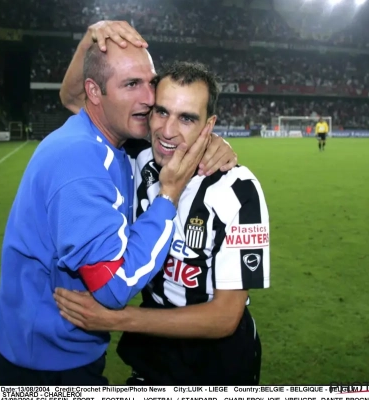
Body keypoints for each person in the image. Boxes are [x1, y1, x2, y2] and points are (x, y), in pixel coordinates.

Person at [0, 21, 237, 386]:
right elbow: (113, 287)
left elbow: (72, 97)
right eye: (131, 84)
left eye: (150, 82)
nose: (149, 98)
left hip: (60, 343)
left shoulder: (107, 135)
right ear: (95, 92)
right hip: (45, 358)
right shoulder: (80, 168)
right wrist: (169, 195)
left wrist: (212, 142)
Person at [55, 60, 270, 385]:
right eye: (162, 111)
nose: (168, 131)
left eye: (187, 118)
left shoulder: (238, 191)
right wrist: (92, 37)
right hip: (153, 350)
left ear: (209, 124)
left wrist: (115, 318)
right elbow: (75, 99)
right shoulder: (137, 155)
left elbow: (225, 316)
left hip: (217, 363)